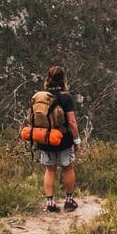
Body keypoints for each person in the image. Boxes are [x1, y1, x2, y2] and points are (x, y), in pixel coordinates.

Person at [38, 65, 81, 212]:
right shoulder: (65, 97)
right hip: (63, 140)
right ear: (63, 79)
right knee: (68, 168)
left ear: (48, 79)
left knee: (50, 170)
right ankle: (69, 201)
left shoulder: (41, 97)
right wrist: (76, 140)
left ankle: (50, 203)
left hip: (45, 139)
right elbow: (72, 122)